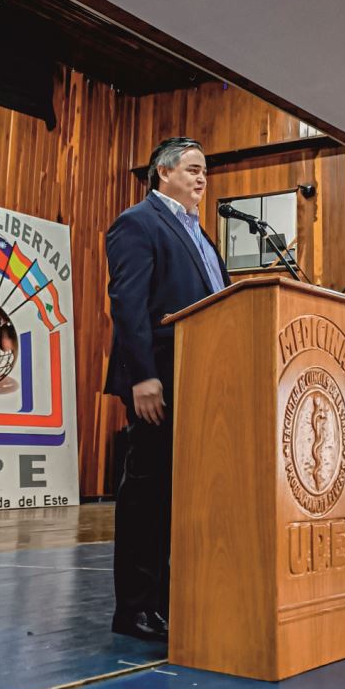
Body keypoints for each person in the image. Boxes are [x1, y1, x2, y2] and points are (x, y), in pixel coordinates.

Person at [104, 137, 230, 641]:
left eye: (205, 171)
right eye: (194, 169)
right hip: (158, 378)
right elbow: (128, 303)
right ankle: (135, 609)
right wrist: (142, 376)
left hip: (202, 380)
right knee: (148, 496)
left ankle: (167, 600)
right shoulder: (138, 222)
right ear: (163, 172)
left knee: (180, 498)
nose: (202, 178)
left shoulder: (203, 236)